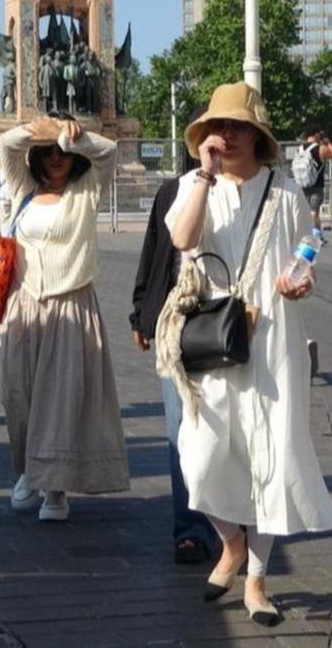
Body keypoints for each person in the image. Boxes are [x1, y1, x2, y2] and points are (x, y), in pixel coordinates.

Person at [158, 82, 332, 627]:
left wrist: (299, 281)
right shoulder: (196, 186)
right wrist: (205, 175)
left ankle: (257, 580)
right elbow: (183, 239)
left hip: (274, 334)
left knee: (270, 454)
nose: (227, 135)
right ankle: (230, 543)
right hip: (215, 335)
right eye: (219, 126)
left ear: (258, 136)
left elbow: (307, 251)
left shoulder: (284, 192)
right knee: (200, 454)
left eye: (239, 127)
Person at [0, 113, 129, 523]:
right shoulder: (22, 188)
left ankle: (54, 490)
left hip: (70, 302)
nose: (57, 158)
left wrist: (77, 137)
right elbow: (6, 146)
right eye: (50, 153)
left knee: (59, 399)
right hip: (24, 303)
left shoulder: (86, 190)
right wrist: (40, 129)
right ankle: (26, 471)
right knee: (17, 395)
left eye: (64, 154)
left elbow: (109, 153)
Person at [130, 106, 216, 565]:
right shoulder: (172, 191)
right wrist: (140, 314)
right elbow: (155, 255)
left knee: (227, 428)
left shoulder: (253, 191)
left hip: (227, 322)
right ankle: (190, 528)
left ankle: (230, 521)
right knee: (179, 427)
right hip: (174, 323)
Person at [293, 125, 332, 234]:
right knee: (314, 212)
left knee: (305, 212)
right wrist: (328, 144)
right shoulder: (321, 148)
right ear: (316, 134)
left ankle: (307, 236)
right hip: (317, 185)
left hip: (302, 185)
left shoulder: (299, 149)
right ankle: (315, 238)